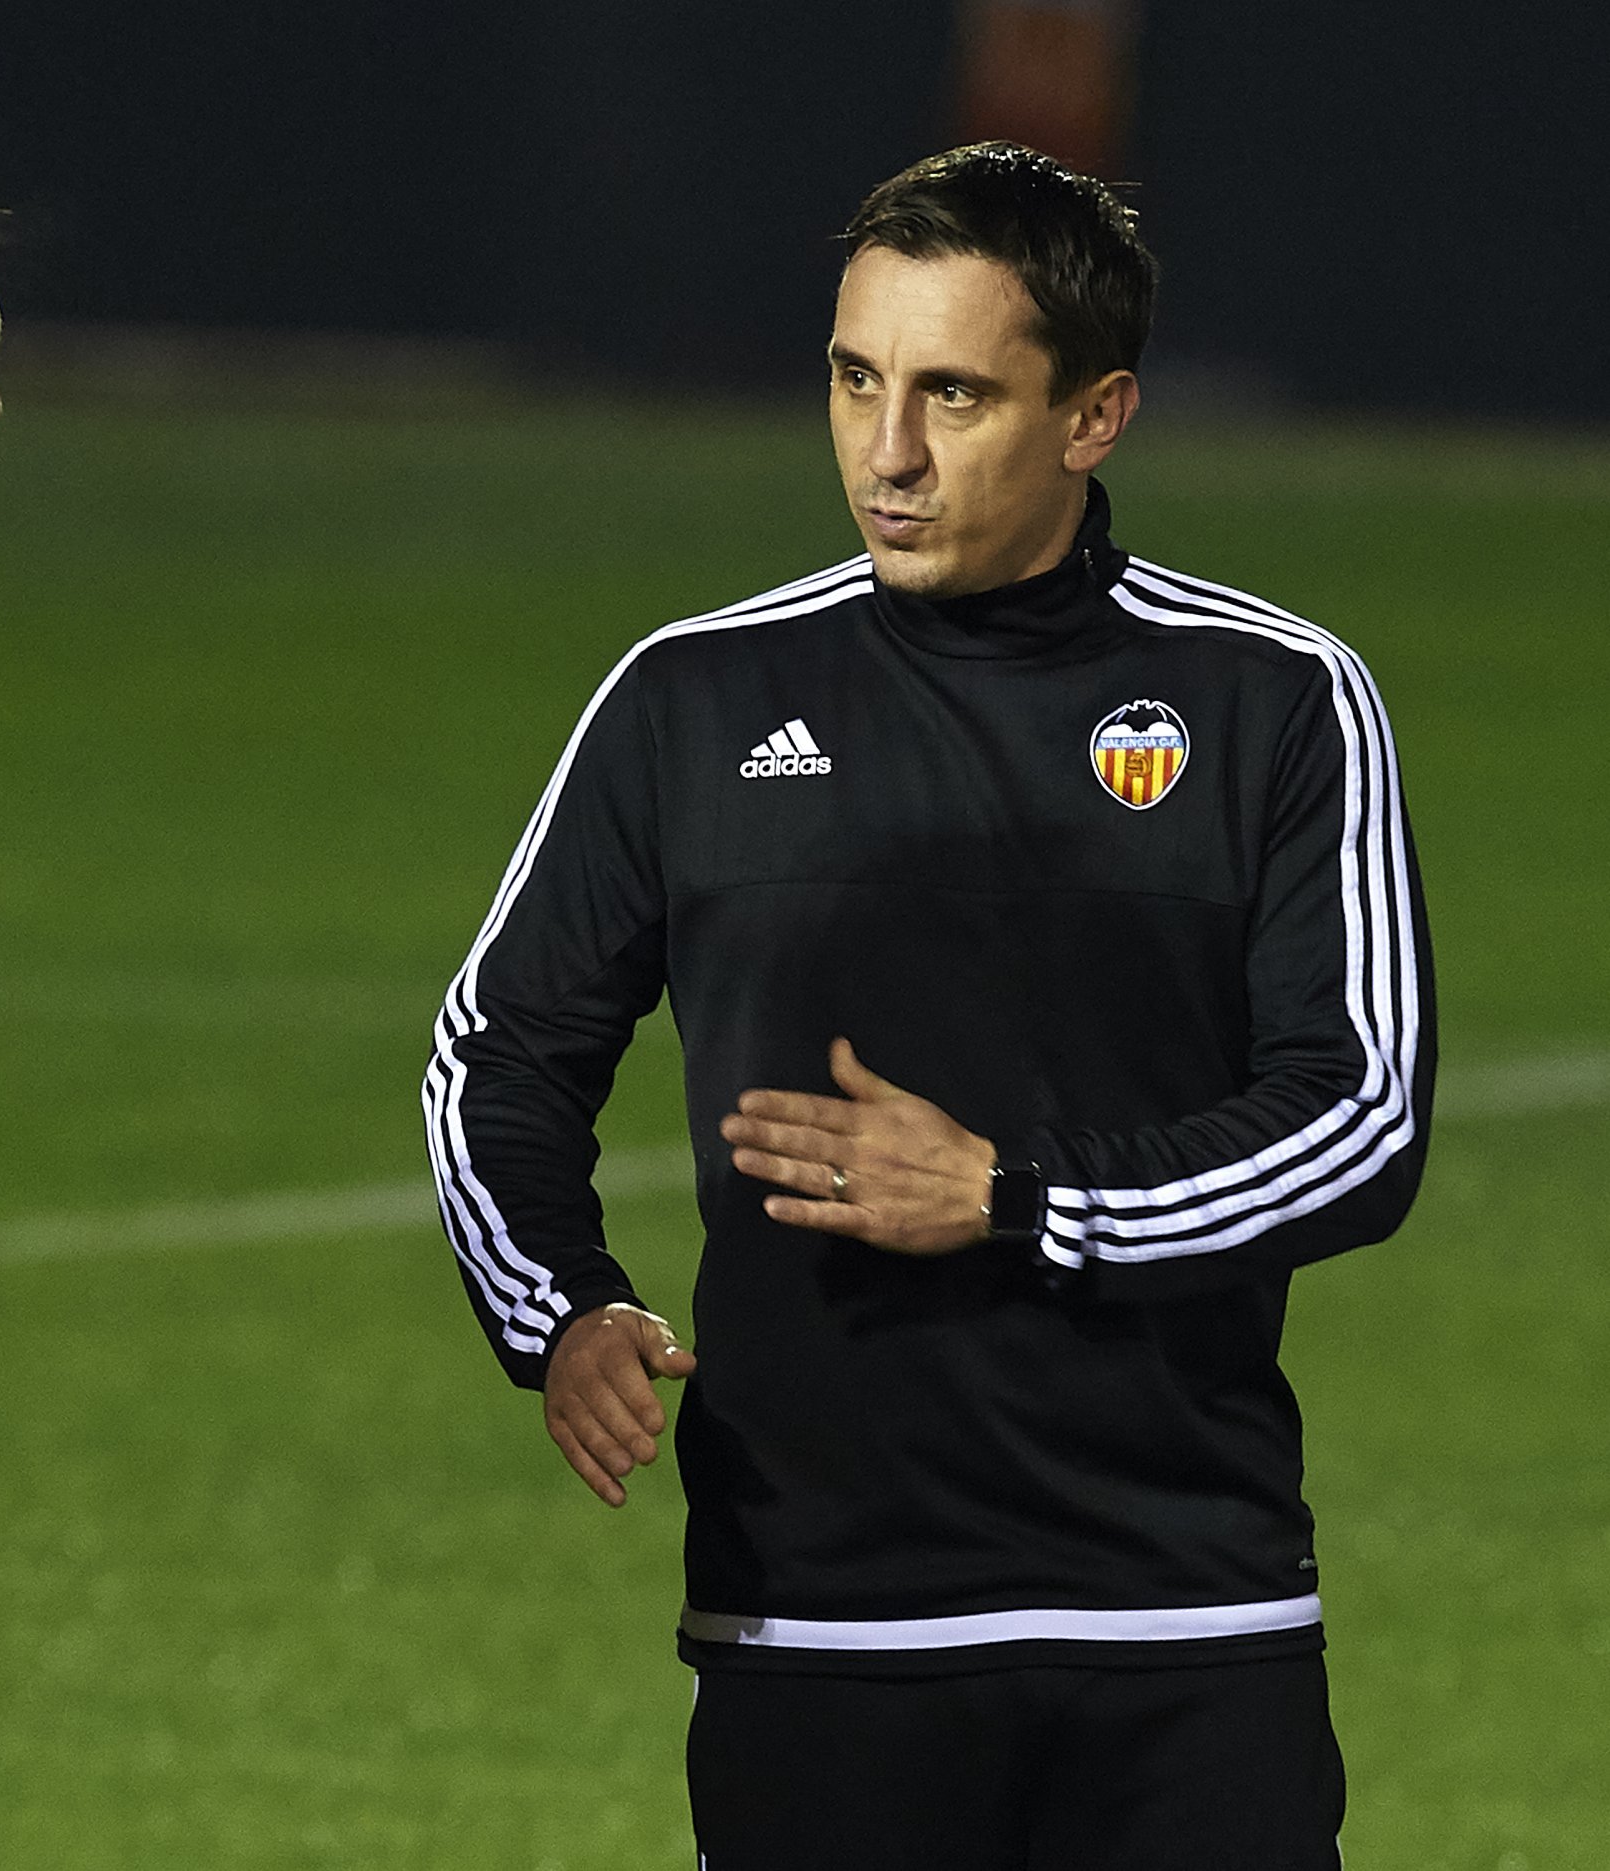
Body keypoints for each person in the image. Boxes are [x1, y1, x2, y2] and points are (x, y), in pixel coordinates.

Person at [423, 142, 1432, 1868]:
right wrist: (563, 1311)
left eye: (953, 395)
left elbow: (1358, 1122)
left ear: (1096, 417)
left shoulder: (1272, 699)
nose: (884, 454)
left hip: (1181, 1619)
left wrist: (1015, 1199)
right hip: (814, 1623)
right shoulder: (695, 698)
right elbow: (498, 1056)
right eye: (854, 379)